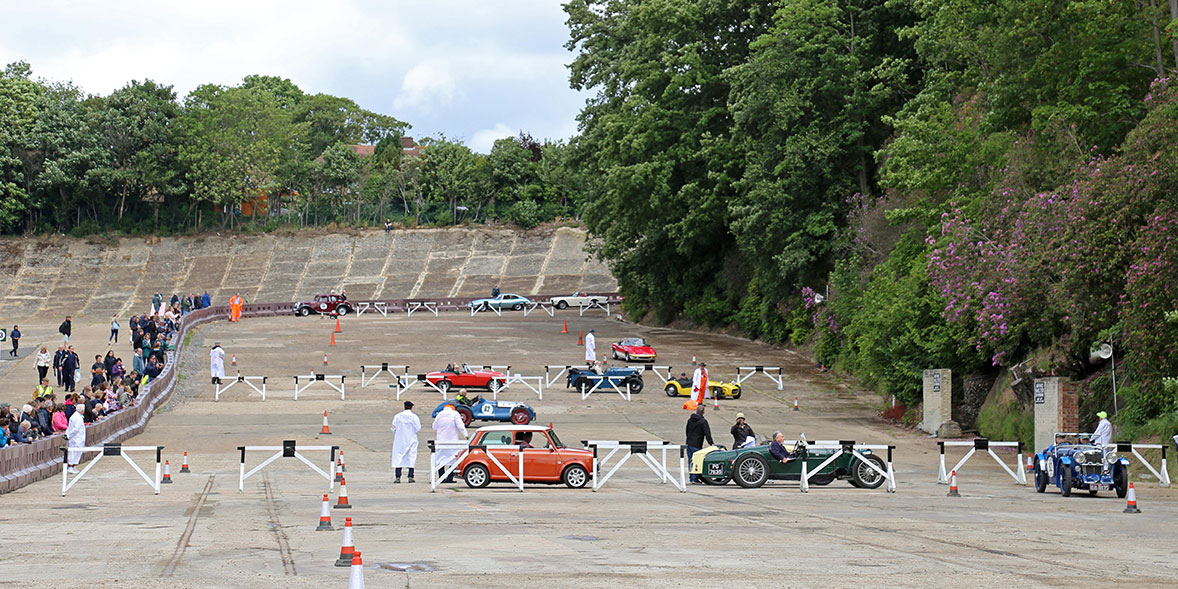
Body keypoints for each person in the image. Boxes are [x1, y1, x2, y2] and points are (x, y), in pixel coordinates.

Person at [431, 400, 468, 483]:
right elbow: (461, 426)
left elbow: (434, 427)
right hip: (452, 441)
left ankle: (441, 477)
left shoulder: (440, 414)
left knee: (440, 459)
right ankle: (449, 478)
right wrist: (466, 435)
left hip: (441, 440)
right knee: (452, 459)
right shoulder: (455, 414)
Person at [390, 401, 421, 483]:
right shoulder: (414, 417)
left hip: (399, 440)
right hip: (411, 439)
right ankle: (410, 476)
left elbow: (393, 428)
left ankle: (397, 476)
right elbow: (418, 428)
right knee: (411, 456)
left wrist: (398, 433)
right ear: (411, 407)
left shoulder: (398, 416)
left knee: (398, 457)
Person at [685, 406, 713, 483]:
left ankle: (691, 477)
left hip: (689, 443)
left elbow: (687, 431)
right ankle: (694, 478)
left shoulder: (690, 420)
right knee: (697, 461)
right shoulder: (703, 421)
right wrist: (711, 444)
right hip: (697, 444)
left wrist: (688, 439)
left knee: (690, 461)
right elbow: (707, 433)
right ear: (703, 412)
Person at [65, 403, 86, 473]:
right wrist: (69, 435)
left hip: (77, 438)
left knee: (77, 452)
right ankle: (70, 466)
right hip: (76, 438)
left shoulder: (77, 416)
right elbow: (76, 429)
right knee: (73, 452)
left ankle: (73, 466)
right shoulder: (77, 417)